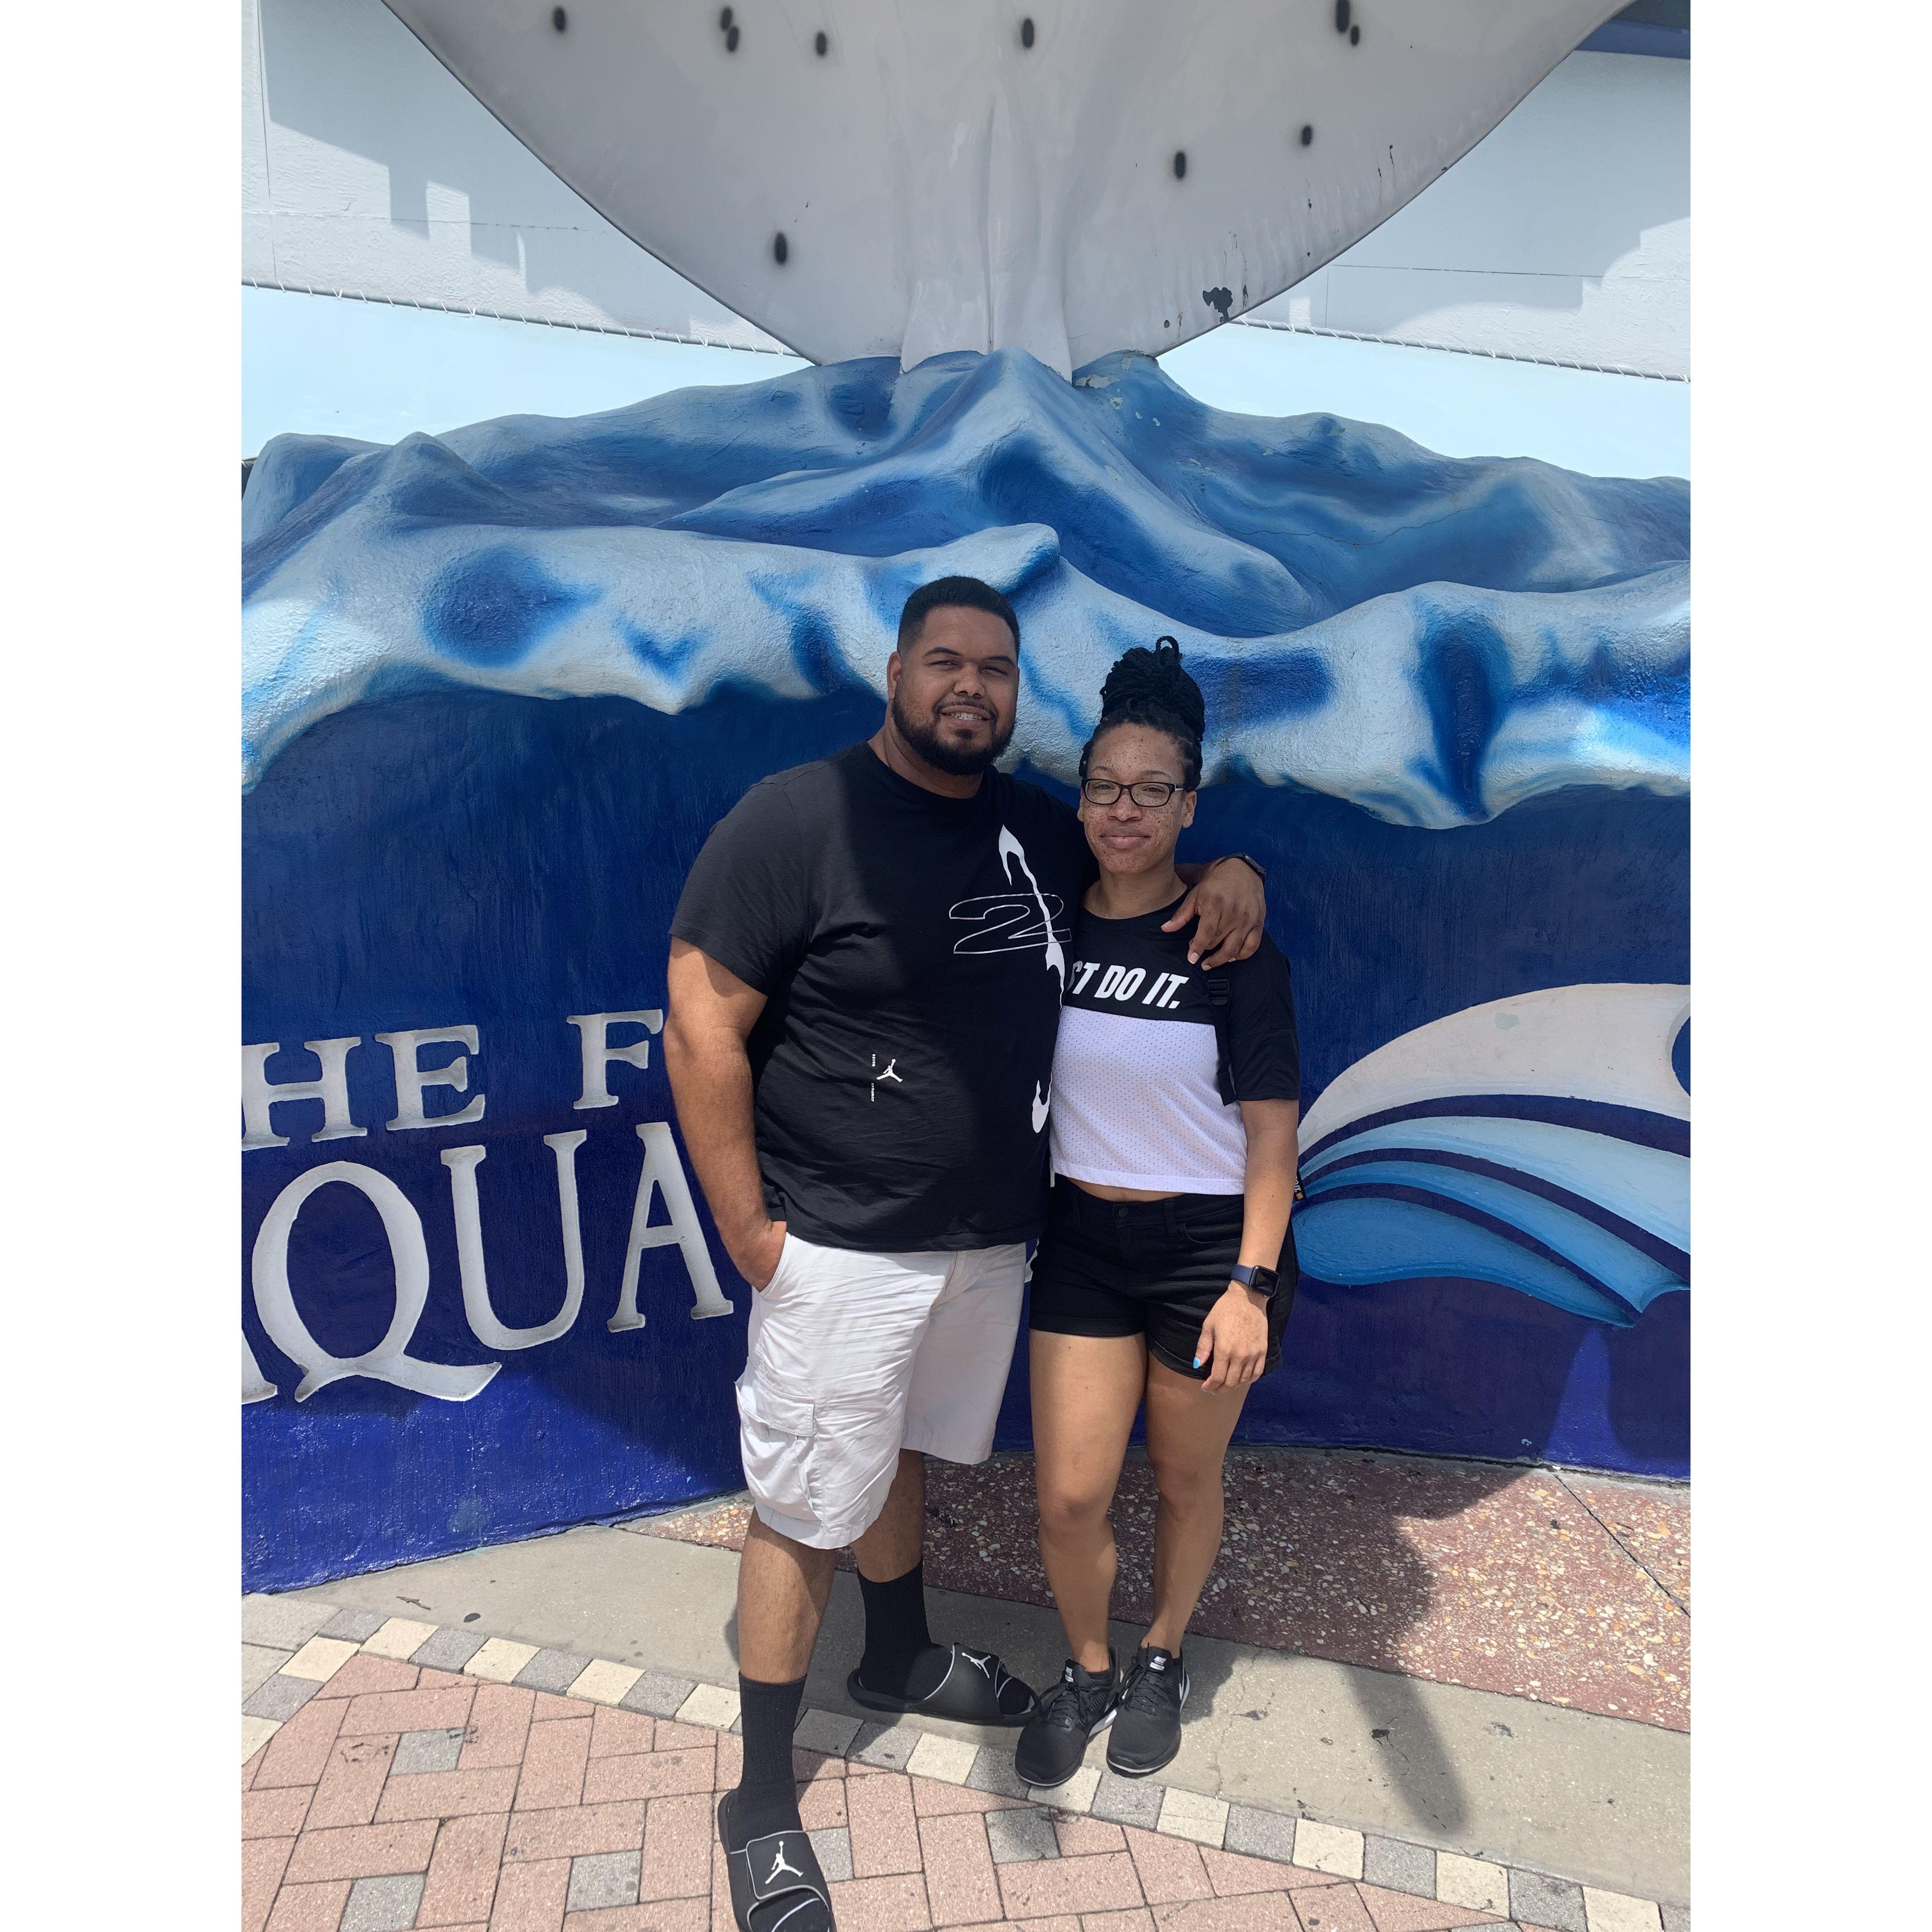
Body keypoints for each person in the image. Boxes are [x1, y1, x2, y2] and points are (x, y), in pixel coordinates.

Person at [663, 578, 1271, 1932]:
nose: (970, 687)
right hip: (841, 1243)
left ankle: (897, 1657)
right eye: (945, 661)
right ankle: (759, 1801)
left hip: (989, 1242)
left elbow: (1147, 866)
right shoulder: (799, 820)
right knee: (804, 1503)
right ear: (895, 673)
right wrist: (750, 1229)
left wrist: (1237, 873)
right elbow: (700, 1022)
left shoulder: (1038, 829)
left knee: (900, 1454)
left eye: (995, 668)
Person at [1013, 638, 1301, 1790]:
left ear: (1188, 804)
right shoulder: (1045, 922)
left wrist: (1251, 1288)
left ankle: (1162, 1656)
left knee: (1185, 1482)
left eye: (1151, 790)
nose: (1123, 810)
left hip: (1206, 1254)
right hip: (1082, 1243)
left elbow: (1273, 1137)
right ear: (1080, 797)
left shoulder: (1235, 945)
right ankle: (1087, 1669)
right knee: (1070, 1494)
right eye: (1104, 787)